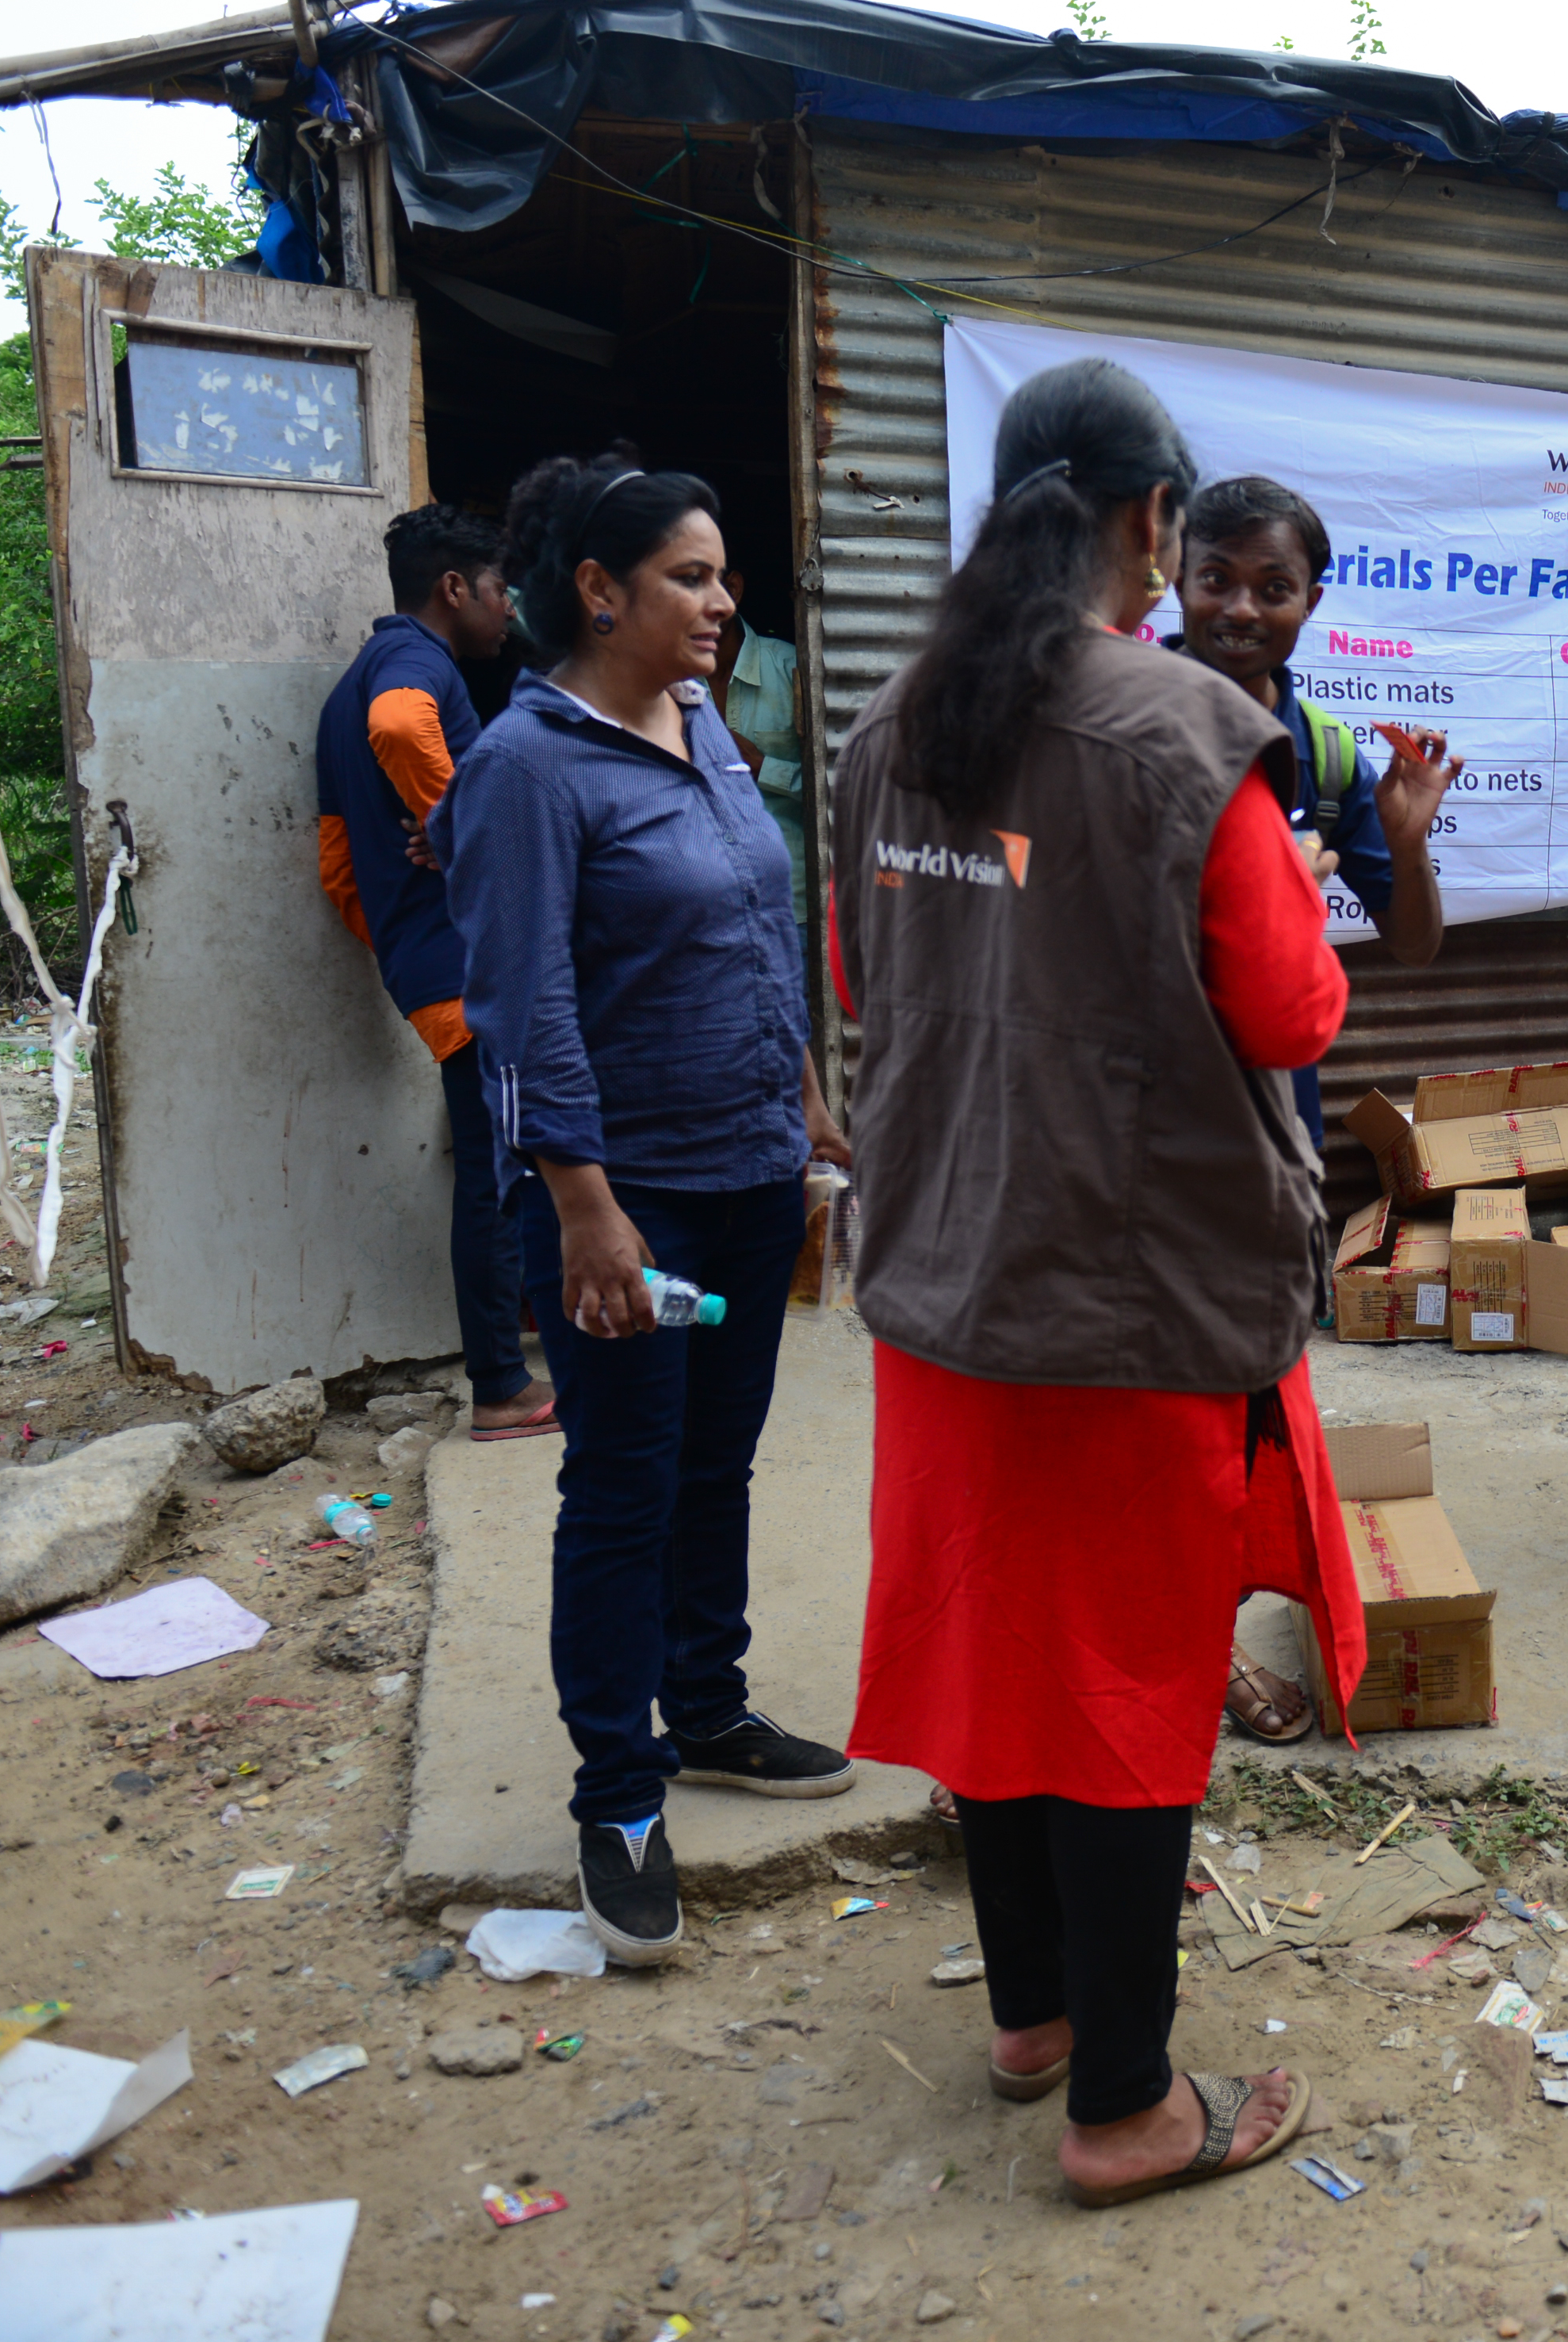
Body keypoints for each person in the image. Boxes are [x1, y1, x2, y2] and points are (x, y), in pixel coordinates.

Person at [830, 358, 1352, 2208]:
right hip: (1123, 1293)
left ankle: (1036, 2010)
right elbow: (1293, 1009)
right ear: (1150, 522)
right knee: (1129, 1679)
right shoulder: (1179, 730)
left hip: (942, 1277)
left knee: (997, 1654)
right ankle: (1123, 2102)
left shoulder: (891, 722)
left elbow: (858, 979)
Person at [435, 450, 859, 1969]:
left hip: (748, 1177)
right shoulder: (527, 767)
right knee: (621, 1484)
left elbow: (755, 915)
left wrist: (801, 1085)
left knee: (716, 1464)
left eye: (722, 572)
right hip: (633, 1200)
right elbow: (523, 1002)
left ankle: (710, 1705)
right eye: (691, 575)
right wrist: (585, 1209)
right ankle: (618, 1795)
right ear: (600, 591)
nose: (723, 600)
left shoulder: (704, 729)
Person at [1171, 473, 1459, 1745]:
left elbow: (1411, 947)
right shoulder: (1120, 720)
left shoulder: (1327, 752)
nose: (1240, 607)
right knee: (1140, 1406)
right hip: (1132, 1128)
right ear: (1172, 578)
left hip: (1270, 1139)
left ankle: (1206, 1635)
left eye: (1270, 586)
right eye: (1216, 578)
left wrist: (1409, 837)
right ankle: (1167, 1645)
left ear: (1312, 602)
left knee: (1244, 1399)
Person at [312, 504, 560, 1445]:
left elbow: (338, 866)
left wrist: (401, 944)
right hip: (469, 967)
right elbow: (401, 726)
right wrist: (468, 828)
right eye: (502, 590)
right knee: (498, 1173)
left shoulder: (350, 682)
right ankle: (501, 1385)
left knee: (506, 1160)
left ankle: (527, 1336)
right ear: (454, 588)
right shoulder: (413, 670)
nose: (509, 610)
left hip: (429, 966)